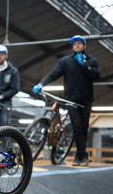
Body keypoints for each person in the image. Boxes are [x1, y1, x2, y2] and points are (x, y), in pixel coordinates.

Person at [32, 35, 100, 166]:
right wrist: (41, 84)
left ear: (84, 46)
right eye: (75, 44)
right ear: (72, 46)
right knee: (77, 127)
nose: (77, 45)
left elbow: (96, 75)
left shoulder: (92, 61)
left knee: (84, 128)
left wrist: (85, 65)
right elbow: (54, 73)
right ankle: (82, 156)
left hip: (86, 101)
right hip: (71, 100)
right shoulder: (66, 61)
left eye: (80, 43)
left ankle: (79, 156)